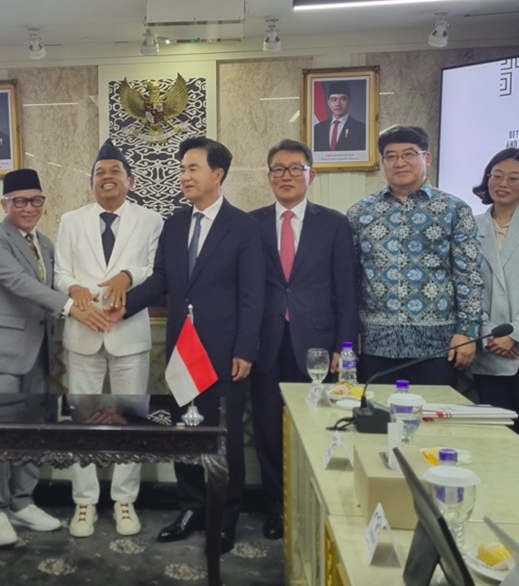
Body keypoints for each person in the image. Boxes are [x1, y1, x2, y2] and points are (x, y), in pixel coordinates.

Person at [121, 137, 265, 554]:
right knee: (184, 433)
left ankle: (224, 518)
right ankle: (190, 508)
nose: (184, 176)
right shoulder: (175, 224)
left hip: (224, 354)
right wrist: (121, 306)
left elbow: (252, 295)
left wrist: (245, 349)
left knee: (223, 439)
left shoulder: (243, 227)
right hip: (182, 352)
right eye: (182, 168)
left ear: (218, 174)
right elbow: (162, 280)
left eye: (192, 168)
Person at [0, 168, 111, 548]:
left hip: (37, 353)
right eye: (20, 201)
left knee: (31, 430)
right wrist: (71, 307)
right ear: (5, 203)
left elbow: (59, 281)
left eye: (36, 200)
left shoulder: (45, 243)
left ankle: (22, 502)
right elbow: (20, 284)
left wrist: (87, 294)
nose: (29, 207)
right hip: (1, 356)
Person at [54, 139, 162, 538]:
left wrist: (127, 276)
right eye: (100, 172)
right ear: (91, 183)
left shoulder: (151, 220)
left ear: (130, 180)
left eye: (115, 170)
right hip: (83, 332)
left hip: (128, 333)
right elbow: (60, 272)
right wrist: (73, 289)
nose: (107, 177)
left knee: (130, 419)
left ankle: (124, 500)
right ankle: (84, 502)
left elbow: (156, 268)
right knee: (82, 419)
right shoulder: (71, 220)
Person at [249, 139, 357, 540]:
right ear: (269, 177)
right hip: (267, 343)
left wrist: (344, 348)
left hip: (317, 347)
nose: (287, 176)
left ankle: (315, 505)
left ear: (311, 174)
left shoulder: (334, 224)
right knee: (267, 430)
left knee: (317, 427)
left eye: (296, 168)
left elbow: (346, 292)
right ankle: (278, 509)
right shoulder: (252, 224)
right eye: (279, 169)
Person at [348, 125, 484, 385]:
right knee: (377, 411)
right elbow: (351, 279)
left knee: (434, 411)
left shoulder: (454, 209)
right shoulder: (360, 213)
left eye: (409, 154)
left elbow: (469, 276)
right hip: (377, 345)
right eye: (391, 156)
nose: (400, 162)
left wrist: (467, 332)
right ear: (383, 162)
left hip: (437, 346)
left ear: (427, 158)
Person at [470, 147, 519, 434]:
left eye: (513, 178)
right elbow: (466, 286)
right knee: (494, 435)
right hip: (488, 347)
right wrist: (490, 333)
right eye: (496, 176)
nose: (503, 184)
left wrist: (515, 334)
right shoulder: (471, 225)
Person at [312, 81, 366, 152]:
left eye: (343, 99)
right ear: (329, 103)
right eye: (334, 99)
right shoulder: (318, 129)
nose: (338, 104)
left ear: (349, 101)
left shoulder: (361, 129)